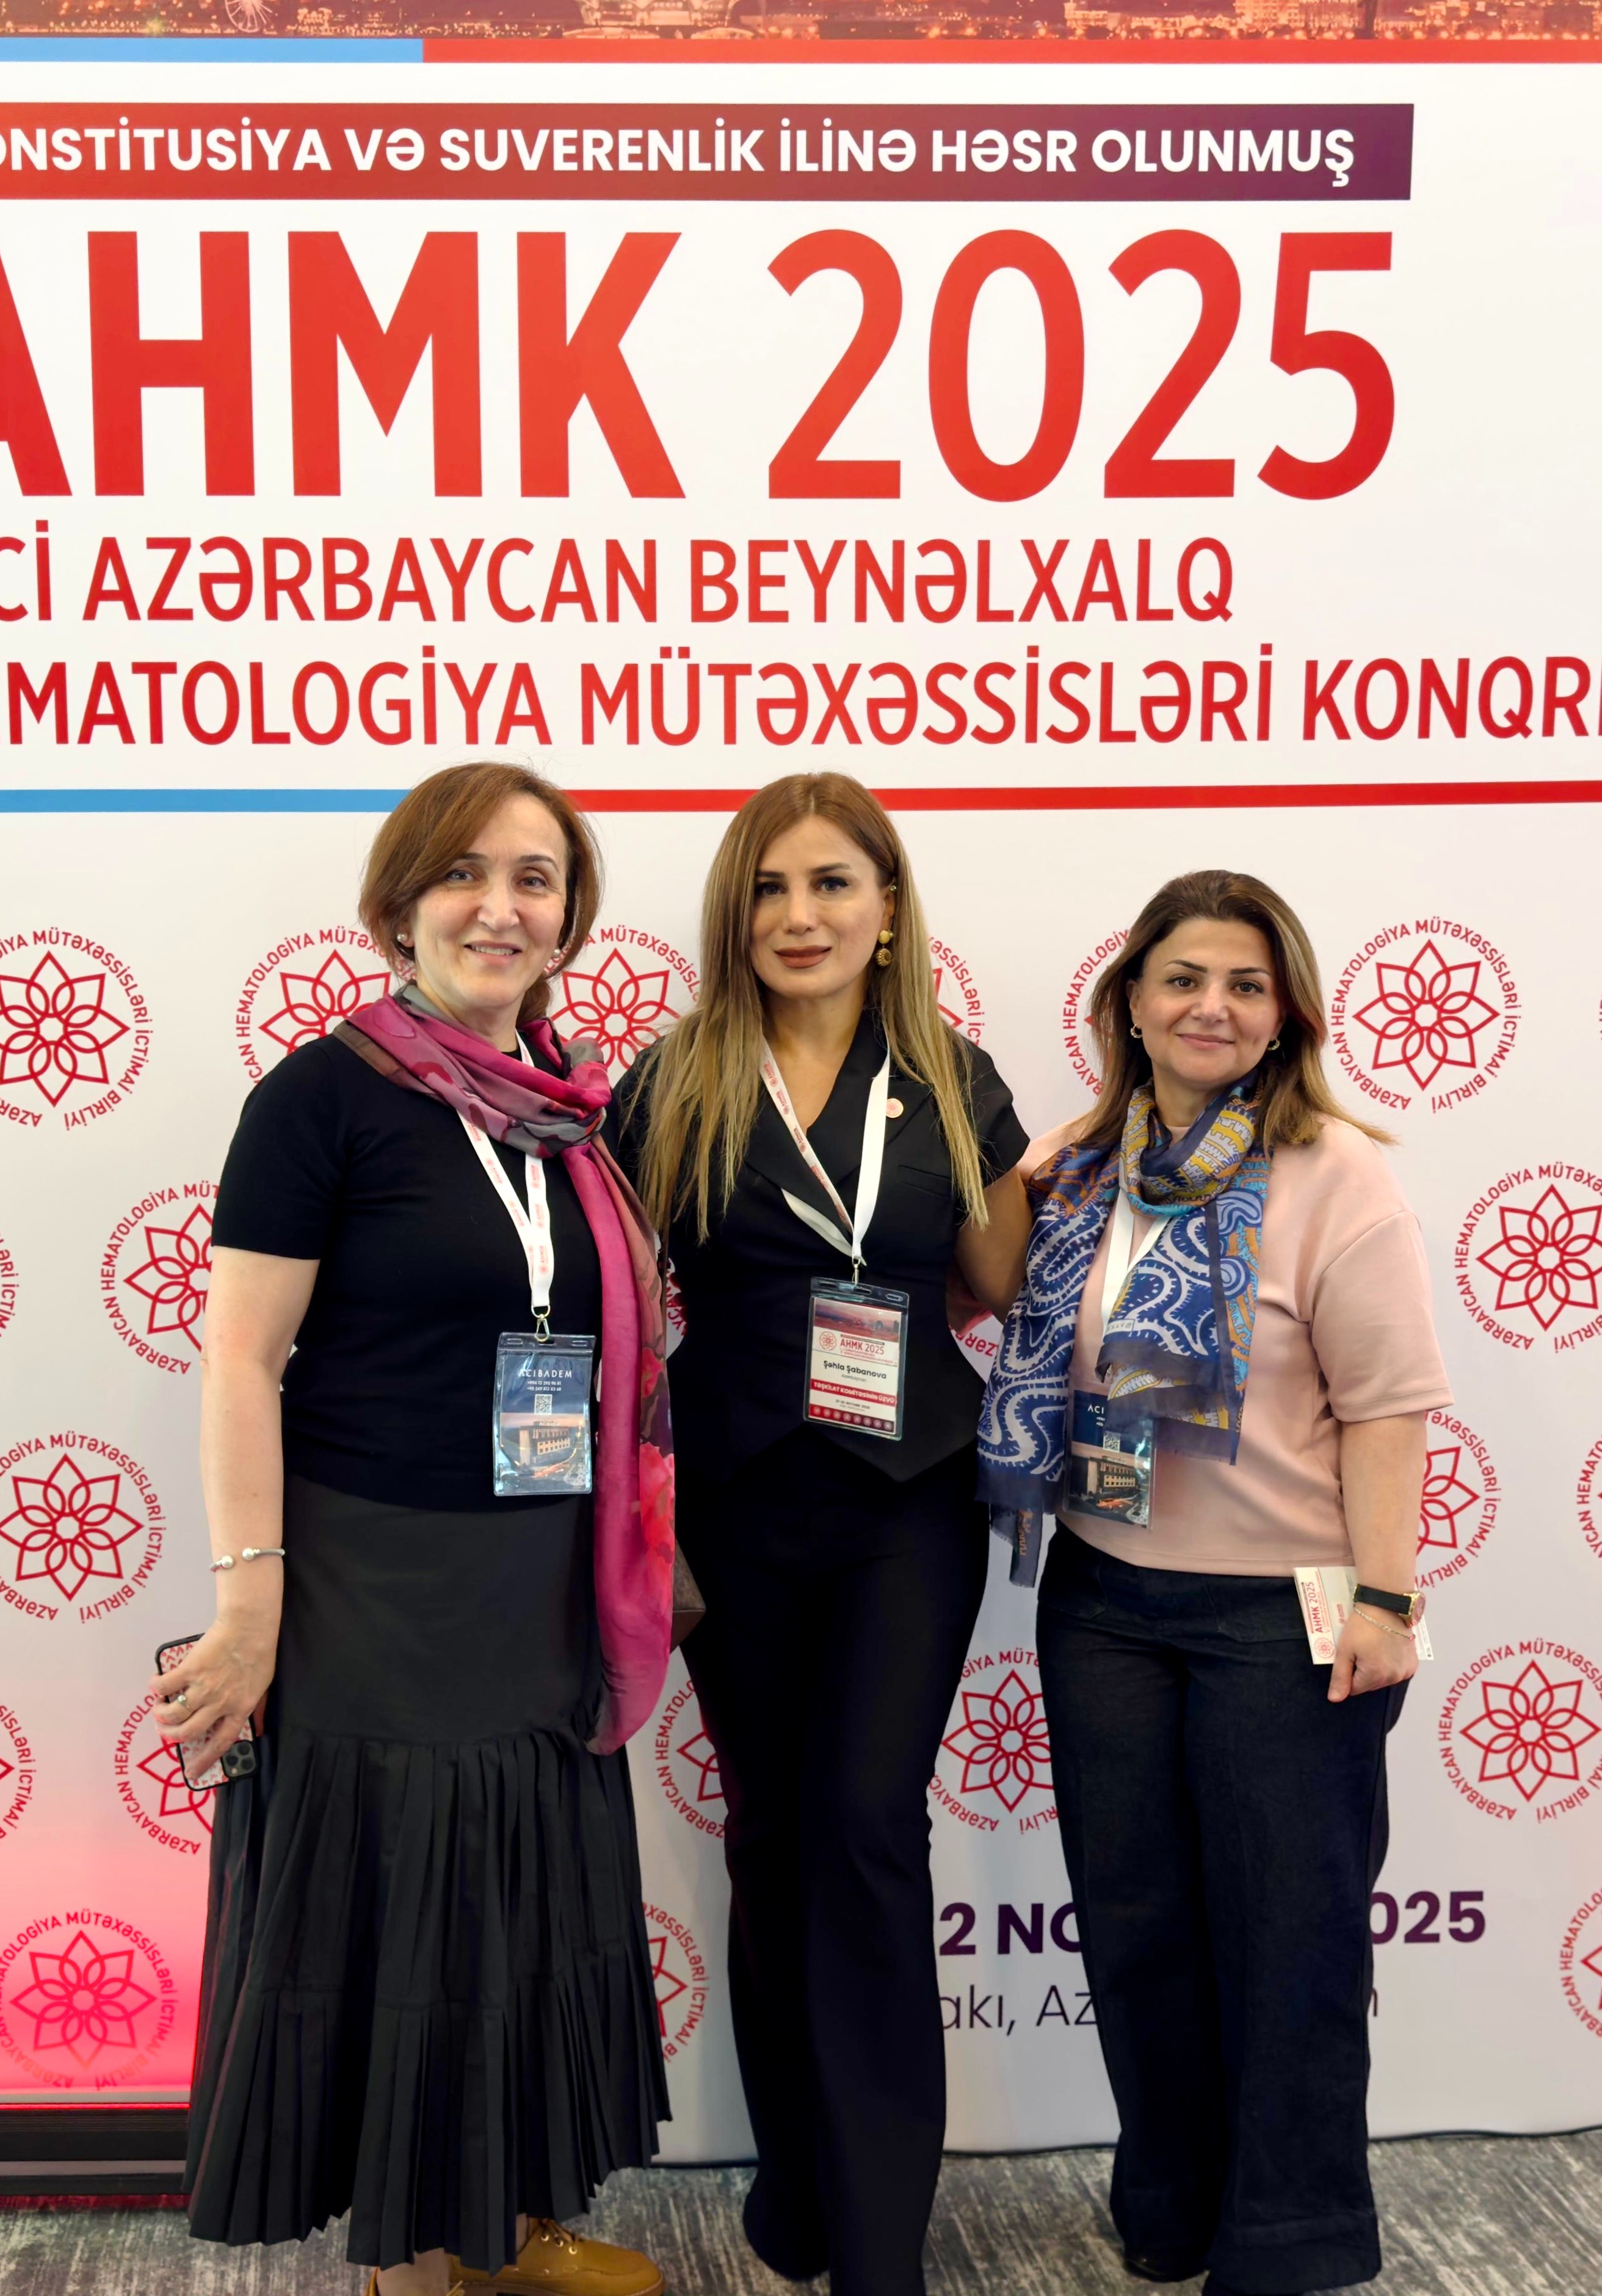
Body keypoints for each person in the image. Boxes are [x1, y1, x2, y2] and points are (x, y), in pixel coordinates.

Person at [158, 763, 677, 2296]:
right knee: (414, 1917)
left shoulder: (573, 1115)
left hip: (538, 1573)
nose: (497, 907)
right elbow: (240, 1357)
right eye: (462, 873)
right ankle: (410, 2265)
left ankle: (496, 2228)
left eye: (533, 877)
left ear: (567, 916)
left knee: (517, 1905)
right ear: (398, 906)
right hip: (374, 1579)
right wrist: (249, 1601)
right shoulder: (318, 1098)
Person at [980, 870, 1451, 2296]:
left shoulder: (1335, 1174)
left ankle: (1287, 2234)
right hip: (1102, 1598)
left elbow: (1387, 1404)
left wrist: (1386, 1598)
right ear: (1128, 999)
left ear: (1284, 1013)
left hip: (1277, 1614)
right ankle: (1170, 2197)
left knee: (1288, 1934)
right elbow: (984, 1292)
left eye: (1245, 983)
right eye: (1182, 976)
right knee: (1133, 1921)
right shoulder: (1077, 1168)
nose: (1211, 1005)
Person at [607, 774, 1032, 2296]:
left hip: (905, 1505)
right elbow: (615, 1310)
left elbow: (996, 1276)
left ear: (886, 907)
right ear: (735, 915)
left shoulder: (952, 1075)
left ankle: (873, 2244)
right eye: (769, 889)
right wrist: (643, 1529)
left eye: (831, 884)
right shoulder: (671, 1080)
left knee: (861, 1826)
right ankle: (794, 2191)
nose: (799, 916)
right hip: (732, 1504)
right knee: (772, 1836)